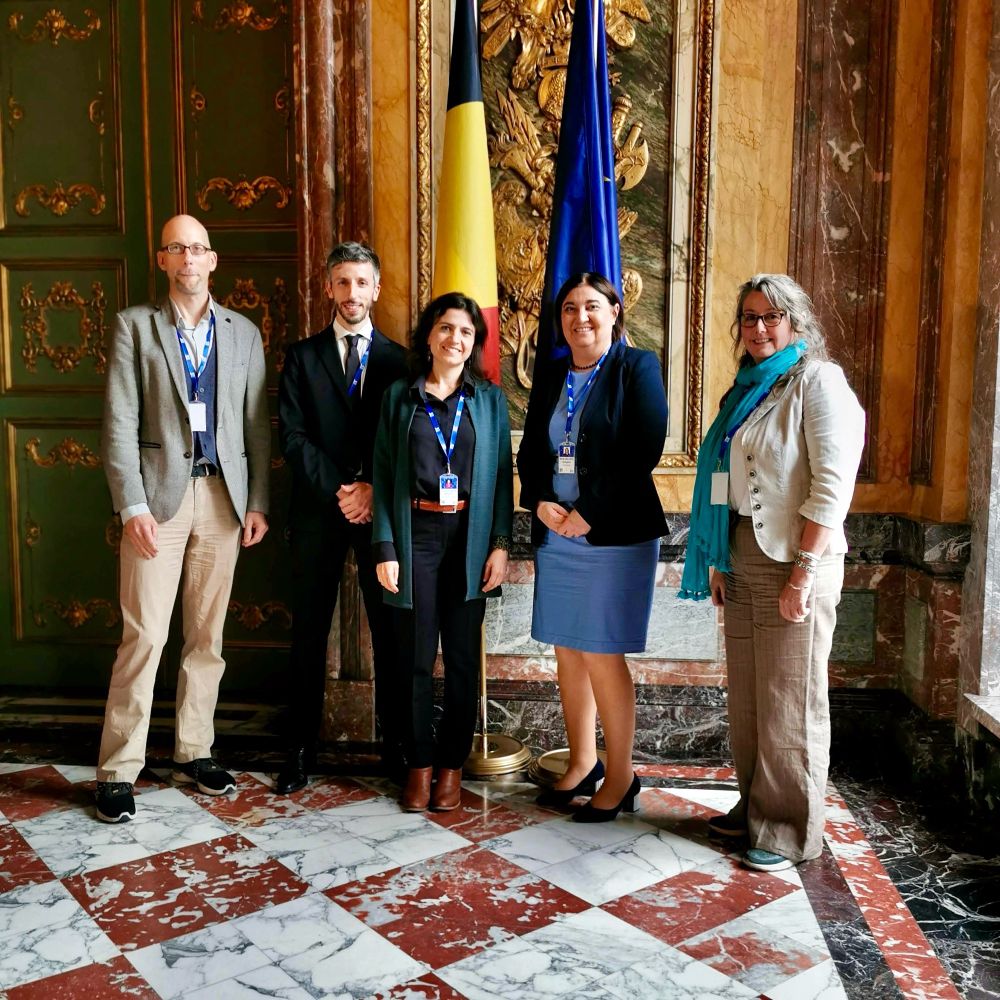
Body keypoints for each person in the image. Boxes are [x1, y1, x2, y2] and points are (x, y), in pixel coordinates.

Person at [680, 273, 865, 872]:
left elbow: (832, 486)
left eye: (772, 317)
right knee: (751, 700)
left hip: (795, 558)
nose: (759, 328)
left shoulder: (818, 382)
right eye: (751, 317)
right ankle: (756, 803)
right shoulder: (742, 392)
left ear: (796, 323)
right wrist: (715, 557)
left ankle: (787, 828)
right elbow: (722, 478)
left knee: (791, 698)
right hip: (740, 552)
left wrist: (804, 573)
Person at [95, 214, 271, 823]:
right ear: (164, 260)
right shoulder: (134, 328)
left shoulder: (244, 333)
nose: (189, 259)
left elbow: (255, 428)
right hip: (158, 502)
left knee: (208, 636)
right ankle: (120, 768)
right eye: (178, 249)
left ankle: (194, 750)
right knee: (144, 635)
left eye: (198, 249)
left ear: (213, 260)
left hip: (223, 500)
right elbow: (118, 423)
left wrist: (257, 502)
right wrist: (132, 506)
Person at [518, 272, 667, 823]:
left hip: (612, 534)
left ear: (614, 311)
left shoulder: (637, 367)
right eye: (570, 309)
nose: (580, 317)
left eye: (591, 307)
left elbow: (642, 448)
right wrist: (537, 500)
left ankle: (622, 773)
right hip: (558, 534)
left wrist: (589, 512)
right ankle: (582, 760)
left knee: (603, 653)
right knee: (567, 648)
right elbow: (532, 448)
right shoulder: (554, 373)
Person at [373, 292, 512, 812]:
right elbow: (384, 476)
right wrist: (385, 546)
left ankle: (451, 768)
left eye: (467, 332)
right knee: (413, 660)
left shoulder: (489, 400)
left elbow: (501, 480)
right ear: (429, 335)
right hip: (415, 539)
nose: (456, 339)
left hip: (469, 539)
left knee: (458, 659)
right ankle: (418, 765)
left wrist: (500, 545)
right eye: (446, 328)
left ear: (475, 343)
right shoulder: (398, 397)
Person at [277, 242, 407, 793]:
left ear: (376, 289)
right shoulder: (302, 358)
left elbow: (407, 440)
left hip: (380, 519)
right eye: (342, 282)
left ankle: (399, 751)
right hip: (318, 512)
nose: (352, 293)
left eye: (362, 282)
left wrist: (372, 491)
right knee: (307, 634)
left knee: (392, 633)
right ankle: (299, 751)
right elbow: (292, 436)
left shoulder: (401, 361)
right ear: (327, 288)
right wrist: (340, 489)